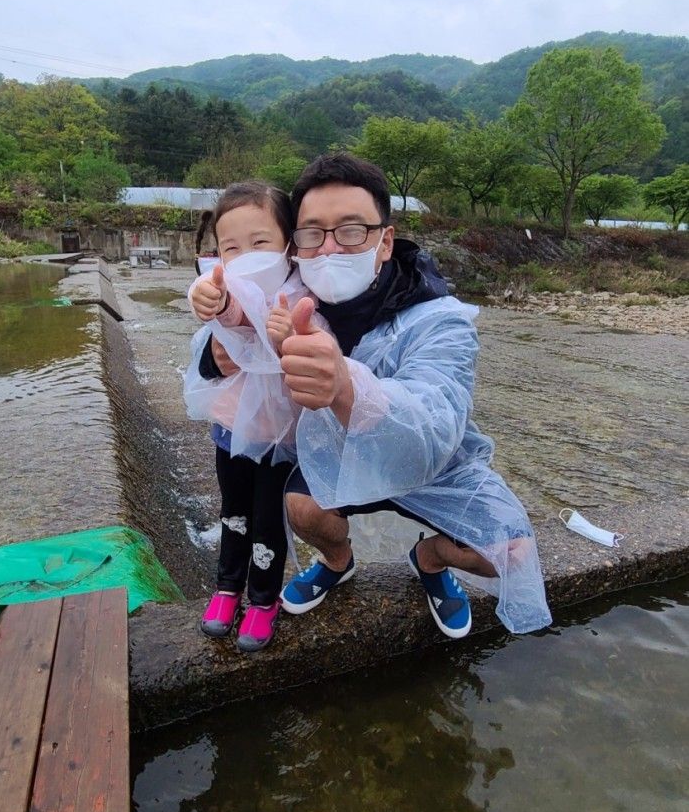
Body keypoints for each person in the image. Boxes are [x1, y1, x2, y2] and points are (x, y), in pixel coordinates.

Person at [271, 152, 551, 638]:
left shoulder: (440, 319)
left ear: (385, 242)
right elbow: (222, 329)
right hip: (341, 456)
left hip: (433, 461)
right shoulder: (287, 300)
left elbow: (436, 415)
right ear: (296, 245)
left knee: (508, 551)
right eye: (313, 233)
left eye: (352, 230)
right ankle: (338, 561)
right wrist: (218, 334)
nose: (330, 248)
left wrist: (345, 385)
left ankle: (430, 559)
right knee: (300, 507)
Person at [183, 181, 307, 652]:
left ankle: (263, 598)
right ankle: (226, 587)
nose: (247, 255)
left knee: (268, 519)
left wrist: (289, 336)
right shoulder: (223, 286)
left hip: (279, 438)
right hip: (230, 430)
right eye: (232, 247)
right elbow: (227, 307)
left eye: (261, 243)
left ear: (288, 246)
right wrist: (207, 297)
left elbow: (316, 345)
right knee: (233, 511)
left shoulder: (300, 295)